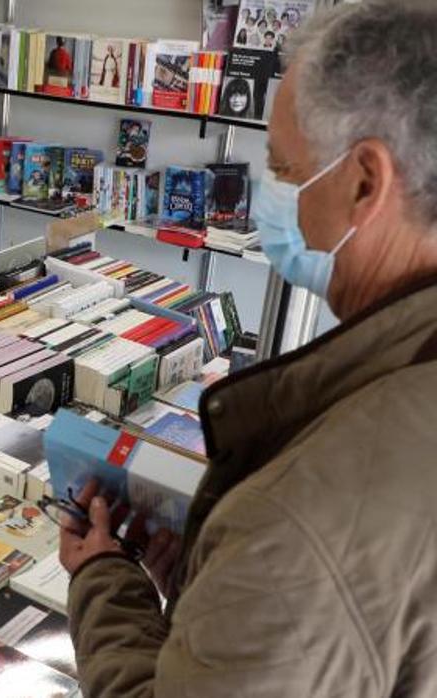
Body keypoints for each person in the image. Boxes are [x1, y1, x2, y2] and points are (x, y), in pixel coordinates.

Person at [59, 3, 437, 696]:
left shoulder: (303, 514)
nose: (274, 197)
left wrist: (102, 580)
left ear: (364, 182)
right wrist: (214, 589)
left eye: (283, 167)